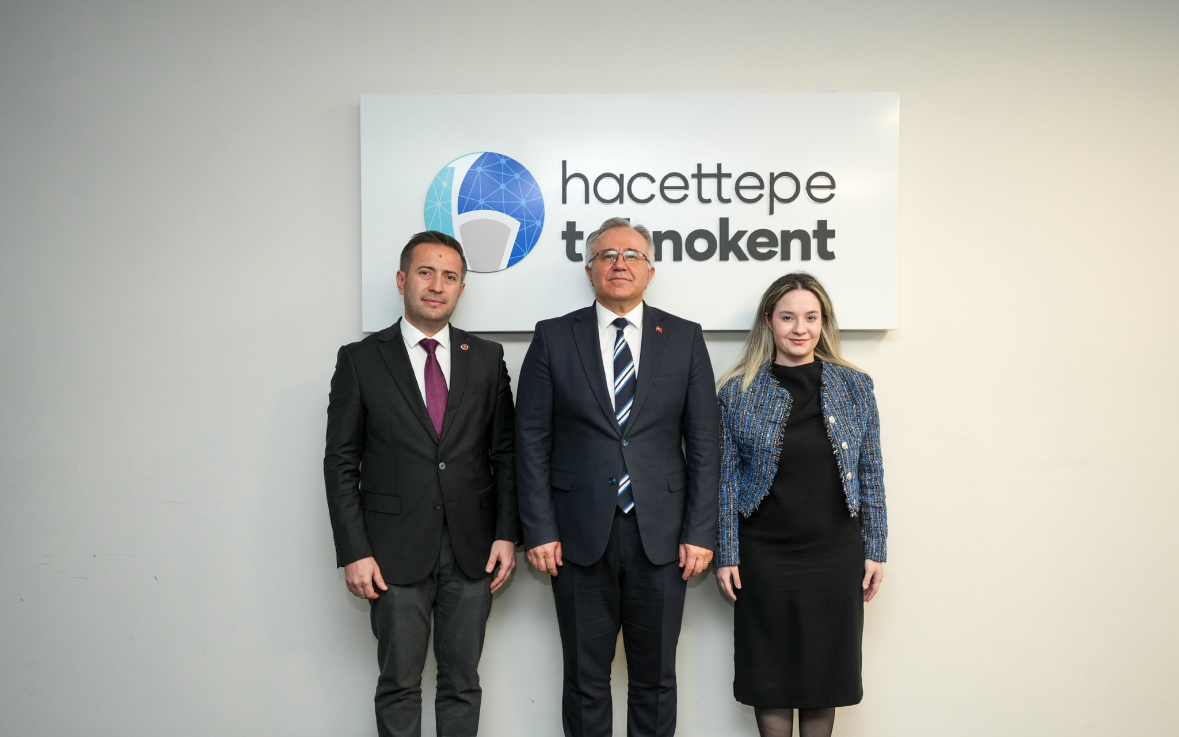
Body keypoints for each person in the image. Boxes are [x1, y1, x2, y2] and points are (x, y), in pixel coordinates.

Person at [515, 217, 720, 737]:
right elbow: (531, 441)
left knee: (656, 679)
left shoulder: (684, 337)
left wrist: (700, 531)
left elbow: (704, 443)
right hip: (576, 536)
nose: (619, 263)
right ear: (589, 271)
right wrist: (539, 529)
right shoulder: (553, 337)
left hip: (664, 539)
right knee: (585, 679)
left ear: (650, 271)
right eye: (607, 255)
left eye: (632, 255)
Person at [323, 231, 520, 737]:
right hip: (391, 552)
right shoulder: (360, 360)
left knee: (462, 684)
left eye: (449, 276)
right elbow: (340, 463)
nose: (437, 285)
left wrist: (506, 534)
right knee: (398, 685)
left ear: (461, 289)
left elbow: (506, 454)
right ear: (402, 279)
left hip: (473, 549)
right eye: (426, 273)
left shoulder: (487, 358)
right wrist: (355, 551)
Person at [714, 273, 887, 737]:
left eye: (811, 317)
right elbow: (724, 481)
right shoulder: (737, 391)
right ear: (768, 320)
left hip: (835, 554)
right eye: (788, 317)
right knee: (769, 680)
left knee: (823, 680)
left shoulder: (855, 386)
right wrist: (727, 553)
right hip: (764, 557)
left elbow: (871, 472)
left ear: (823, 322)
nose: (799, 328)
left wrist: (876, 548)